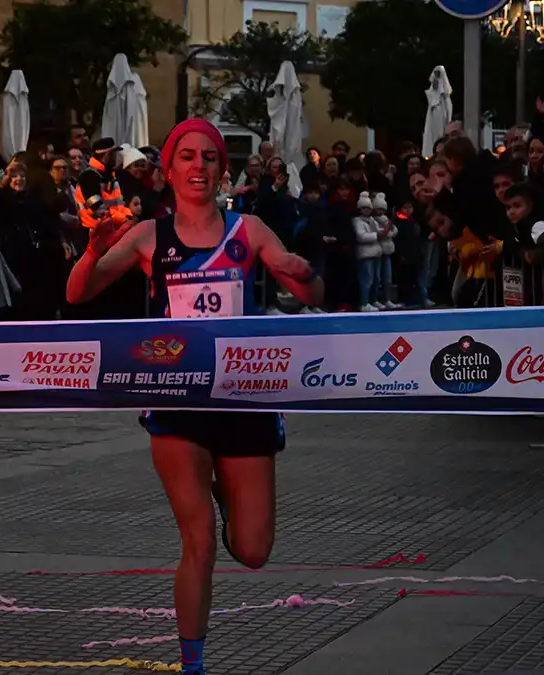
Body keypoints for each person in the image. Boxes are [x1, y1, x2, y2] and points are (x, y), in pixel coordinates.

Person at [65, 119, 323, 675]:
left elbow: (306, 286)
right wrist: (92, 250)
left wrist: (298, 274)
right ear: (169, 170)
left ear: (221, 169)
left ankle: (226, 494)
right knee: (199, 543)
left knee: (252, 552)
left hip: (243, 399)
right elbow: (77, 292)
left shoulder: (247, 230)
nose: (199, 166)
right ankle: (192, 665)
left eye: (209, 157)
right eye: (188, 156)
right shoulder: (150, 236)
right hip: (177, 400)